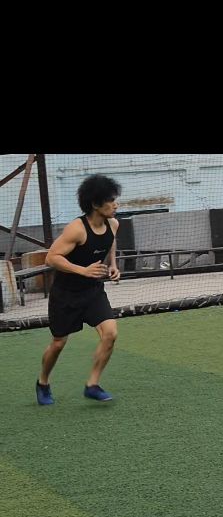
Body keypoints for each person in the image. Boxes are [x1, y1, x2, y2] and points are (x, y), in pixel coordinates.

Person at [36, 174, 122, 406]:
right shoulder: (76, 229)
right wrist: (82, 270)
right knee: (58, 343)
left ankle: (92, 385)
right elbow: (51, 258)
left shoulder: (113, 224)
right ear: (95, 204)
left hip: (93, 291)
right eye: (110, 200)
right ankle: (43, 382)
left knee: (110, 333)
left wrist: (113, 265)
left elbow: (110, 241)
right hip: (66, 294)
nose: (116, 204)